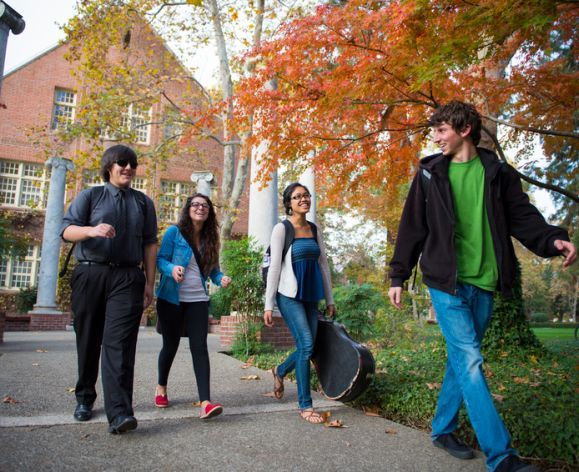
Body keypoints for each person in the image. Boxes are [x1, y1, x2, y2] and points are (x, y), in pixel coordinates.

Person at [388, 101, 576, 472]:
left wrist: (552, 240)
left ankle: (442, 429)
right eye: (435, 132)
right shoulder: (429, 174)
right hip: (446, 282)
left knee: (462, 361)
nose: (436, 138)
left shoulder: (497, 172)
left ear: (464, 129)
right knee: (471, 360)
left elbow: (522, 215)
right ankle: (501, 456)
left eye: (442, 130)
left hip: (485, 282)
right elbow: (413, 227)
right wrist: (398, 274)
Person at [61, 144, 158, 434]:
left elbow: (150, 243)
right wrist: (92, 230)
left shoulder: (143, 202)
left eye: (132, 164)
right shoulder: (91, 195)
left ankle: (119, 414)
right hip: (90, 273)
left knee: (120, 344)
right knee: (88, 339)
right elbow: (66, 230)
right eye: (121, 163)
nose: (127, 168)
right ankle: (84, 397)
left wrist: (150, 282)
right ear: (109, 167)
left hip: (128, 278)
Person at [264, 182, 336, 424]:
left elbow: (323, 265)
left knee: (309, 347)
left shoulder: (315, 229)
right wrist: (268, 304)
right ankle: (305, 404)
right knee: (306, 343)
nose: (303, 199)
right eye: (297, 197)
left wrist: (330, 299)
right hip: (289, 295)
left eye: (306, 195)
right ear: (289, 204)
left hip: (311, 294)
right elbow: (274, 267)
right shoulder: (282, 229)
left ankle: (280, 370)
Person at [155, 193, 231, 419]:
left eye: (205, 206)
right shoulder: (174, 232)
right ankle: (161, 387)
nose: (200, 208)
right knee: (170, 346)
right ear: (188, 209)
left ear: (209, 212)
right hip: (171, 300)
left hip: (198, 300)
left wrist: (221, 279)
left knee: (200, 348)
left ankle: (205, 402)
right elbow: (160, 260)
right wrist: (172, 269)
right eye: (196, 204)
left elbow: (213, 271)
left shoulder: (211, 239)